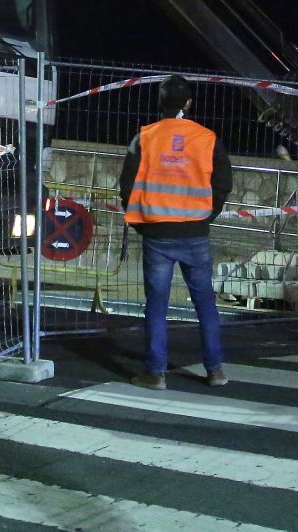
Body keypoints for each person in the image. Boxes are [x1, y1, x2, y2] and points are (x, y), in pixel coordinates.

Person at [118, 75, 233, 390]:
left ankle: (155, 373)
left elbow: (126, 185)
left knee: (156, 304)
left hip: (157, 232)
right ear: (188, 104)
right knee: (205, 302)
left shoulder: (145, 137)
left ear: (160, 103)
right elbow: (223, 182)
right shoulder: (207, 138)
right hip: (195, 231)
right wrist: (206, 216)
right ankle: (215, 370)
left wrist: (140, 221)